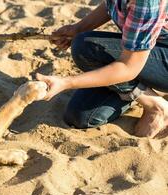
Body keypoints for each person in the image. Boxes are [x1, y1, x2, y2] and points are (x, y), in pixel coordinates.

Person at [36, 0, 168, 138]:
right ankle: (140, 85)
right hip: (141, 50)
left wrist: (67, 82)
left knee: (85, 47)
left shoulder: (146, 3)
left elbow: (128, 67)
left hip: (159, 55)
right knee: (81, 116)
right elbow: (112, 5)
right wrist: (78, 28)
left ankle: (157, 106)